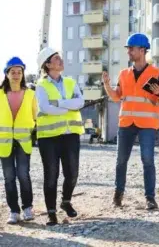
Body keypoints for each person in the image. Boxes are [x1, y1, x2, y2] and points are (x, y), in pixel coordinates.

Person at [102, 33, 159, 210]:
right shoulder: (124, 74)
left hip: (147, 124)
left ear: (142, 50)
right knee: (121, 160)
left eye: (131, 48)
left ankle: (150, 198)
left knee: (148, 160)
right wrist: (107, 85)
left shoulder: (155, 73)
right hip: (126, 123)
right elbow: (117, 97)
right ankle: (118, 195)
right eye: (128, 49)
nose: (129, 51)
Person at [35, 47, 85, 226]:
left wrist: (60, 104)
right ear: (47, 64)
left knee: (72, 173)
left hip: (70, 134)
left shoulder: (71, 82)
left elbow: (80, 102)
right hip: (48, 137)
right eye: (56, 58)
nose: (60, 60)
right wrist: (68, 106)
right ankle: (51, 213)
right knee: (51, 175)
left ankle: (66, 201)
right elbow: (45, 107)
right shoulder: (41, 85)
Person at [0, 57, 36, 224]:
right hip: (4, 142)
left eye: (19, 72)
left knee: (23, 175)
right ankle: (14, 211)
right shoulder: (0, 94)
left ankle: (27, 207)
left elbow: (37, 117)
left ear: (23, 74)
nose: (16, 75)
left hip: (23, 140)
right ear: (6, 74)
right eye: (12, 72)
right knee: (8, 177)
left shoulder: (30, 94)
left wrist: (36, 136)